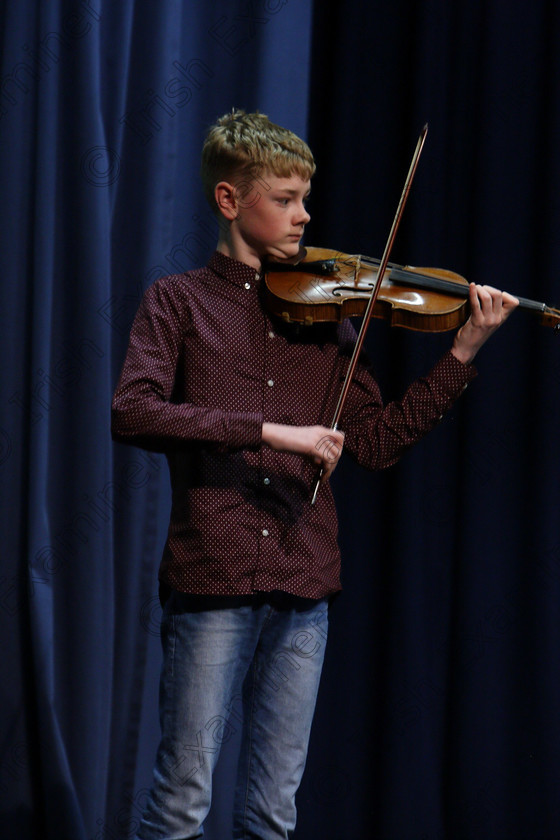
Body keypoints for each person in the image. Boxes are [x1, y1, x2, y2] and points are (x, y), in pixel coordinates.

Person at [111, 110, 518, 840]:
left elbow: (377, 442)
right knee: (181, 803)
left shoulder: (327, 316)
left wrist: (462, 355)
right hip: (213, 578)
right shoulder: (178, 303)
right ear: (231, 200)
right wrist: (269, 431)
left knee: (272, 814)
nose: (305, 215)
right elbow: (133, 412)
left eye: (306, 197)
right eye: (286, 197)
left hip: (305, 585)